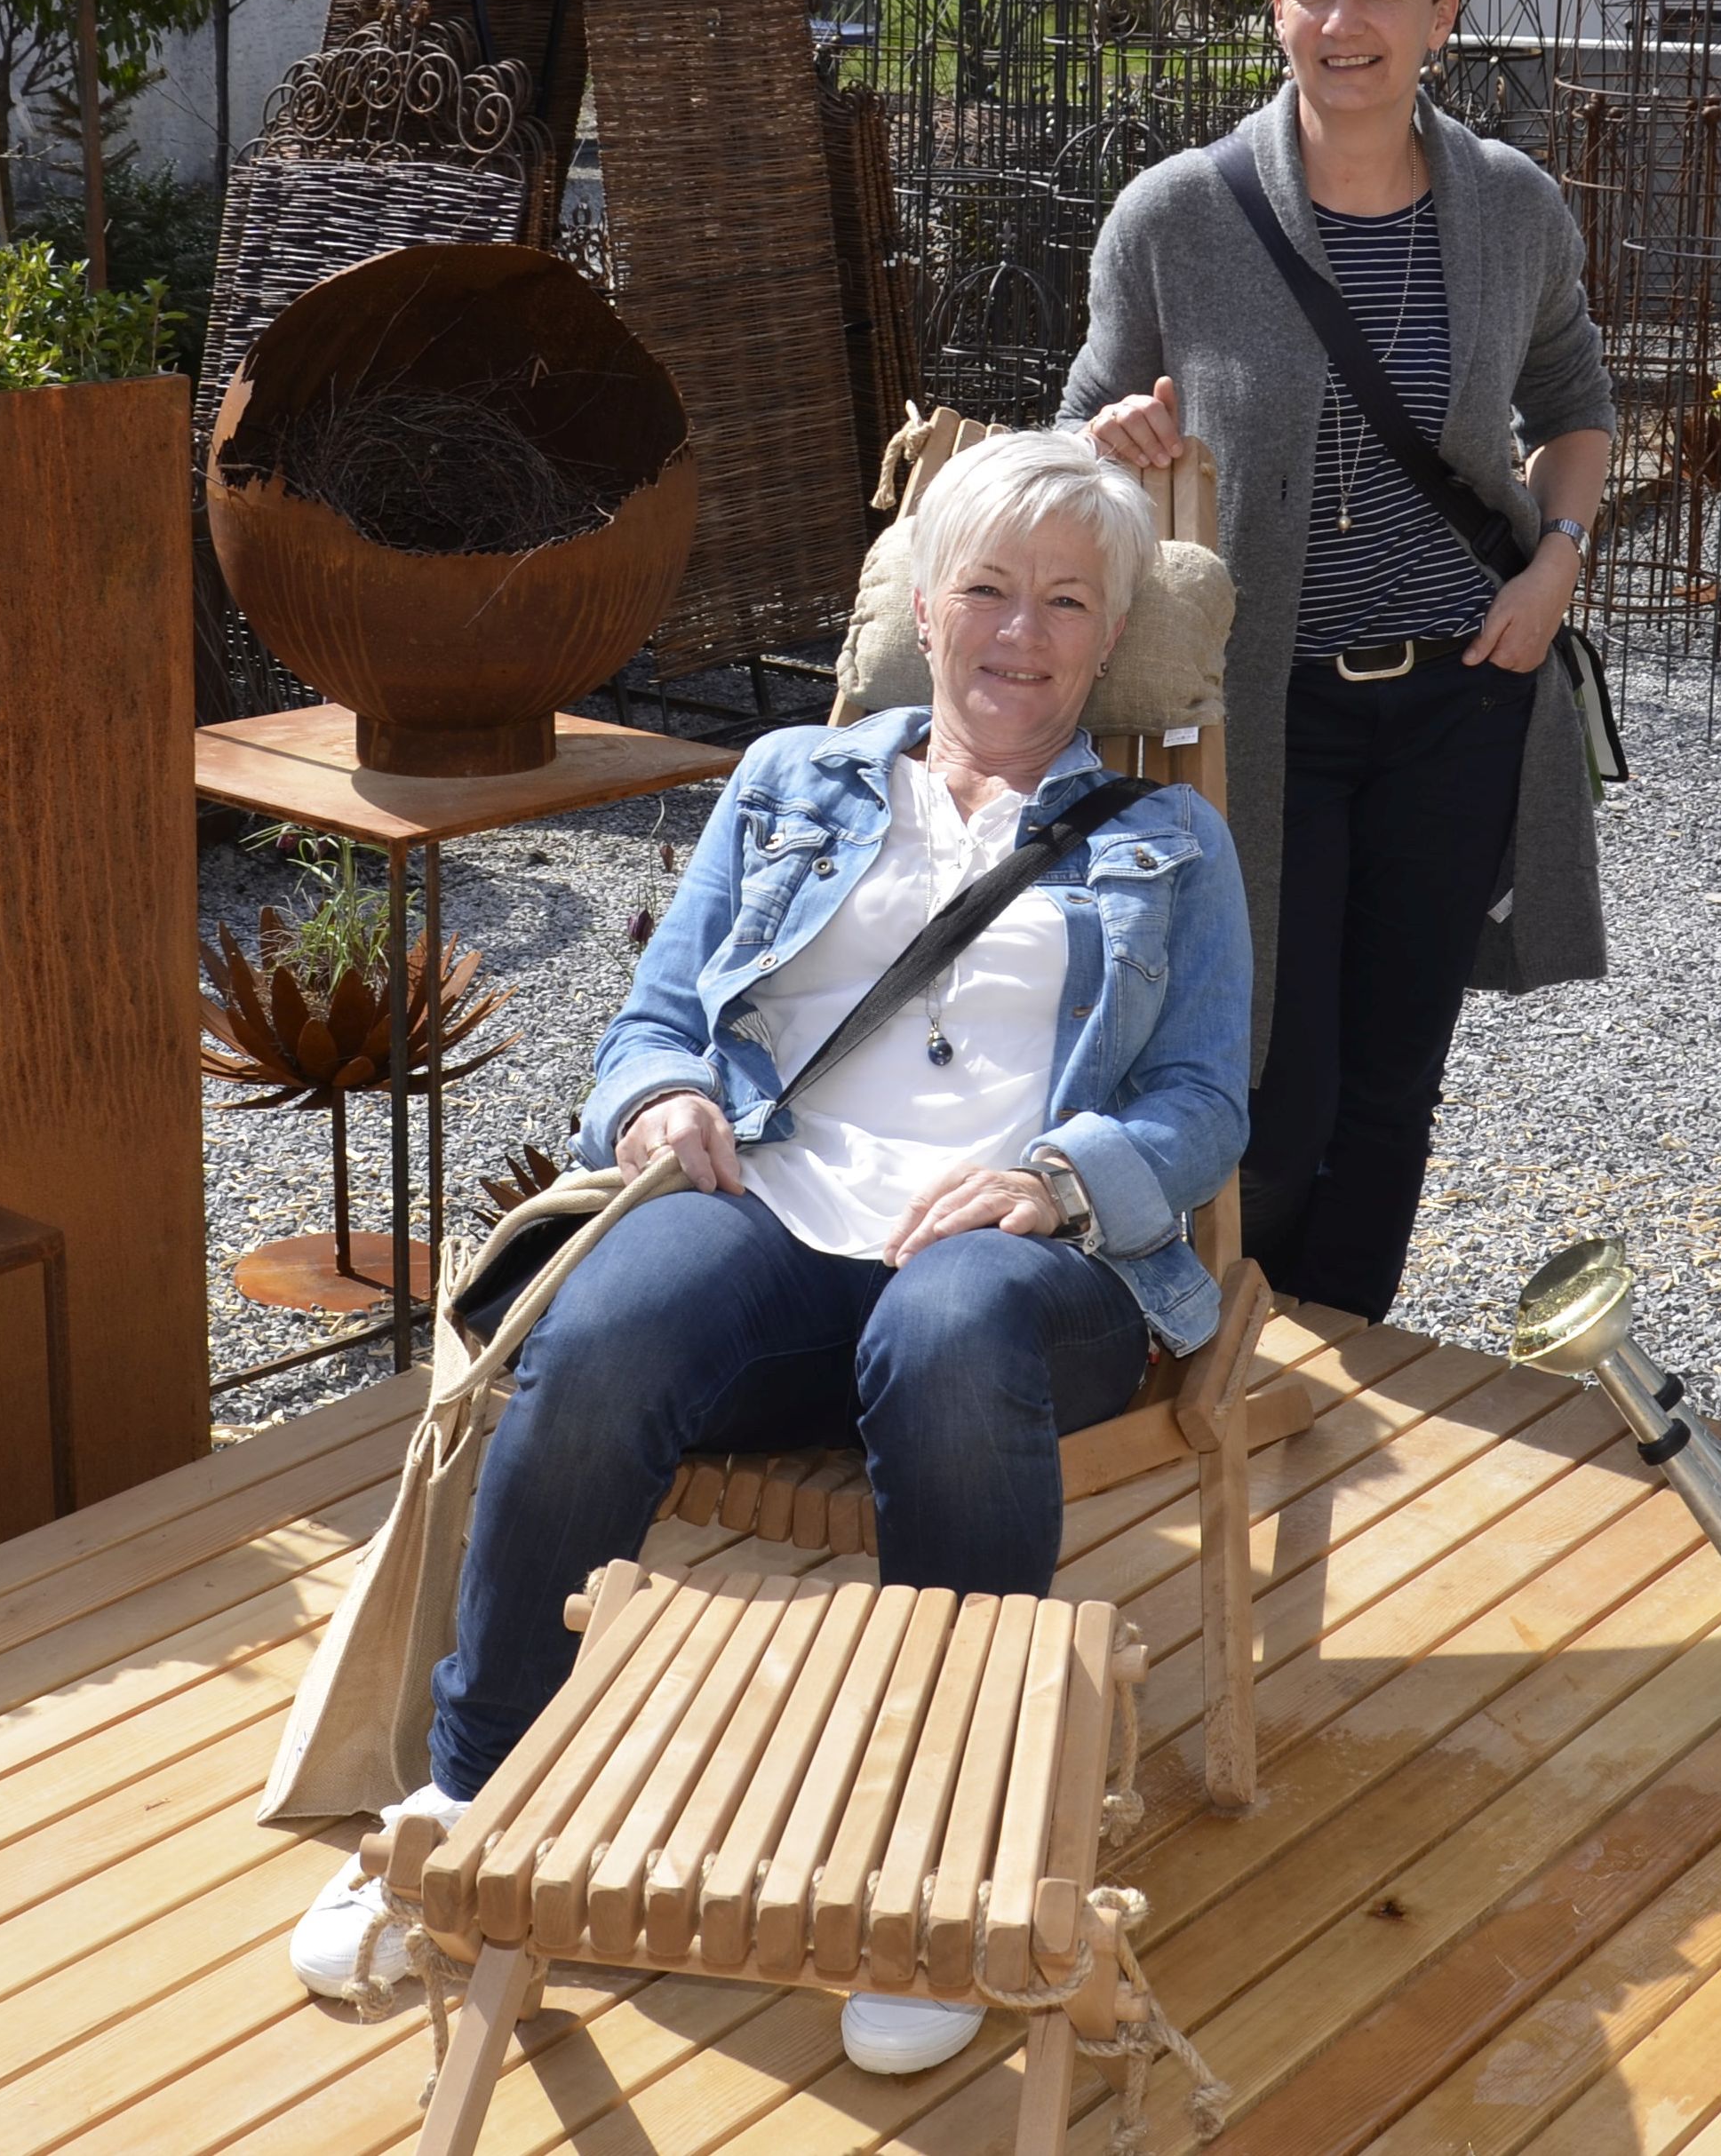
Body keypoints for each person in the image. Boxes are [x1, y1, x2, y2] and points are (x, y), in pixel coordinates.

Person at [291, 428, 1253, 2080]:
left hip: (1032, 1272)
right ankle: (471, 1796)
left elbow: (1204, 1102)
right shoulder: (792, 780)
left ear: (1110, 634)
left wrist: (1056, 1178)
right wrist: (660, 1098)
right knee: (604, 1328)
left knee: (946, 1329)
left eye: (1064, 602)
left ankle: (943, 1863)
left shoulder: (1165, 839)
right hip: (779, 1221)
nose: (1018, 634)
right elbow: (656, 1019)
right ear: (923, 608)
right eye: (987, 589)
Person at [1065, 0, 1615, 1326]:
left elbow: (1576, 404)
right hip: (1264, 717)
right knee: (1270, 1085)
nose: (1344, 22)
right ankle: (1234, 1348)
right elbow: (1075, 437)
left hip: (1459, 700)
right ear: (1273, 9)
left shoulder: (1510, 206)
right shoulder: (1177, 214)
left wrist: (1556, 564)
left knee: (1389, 1089)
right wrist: (1109, 440)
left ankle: (1339, 1365)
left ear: (1443, 13)